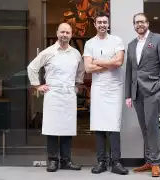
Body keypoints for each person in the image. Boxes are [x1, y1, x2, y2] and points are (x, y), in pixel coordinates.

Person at [27, 23, 85, 172]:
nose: (65, 35)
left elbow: (80, 71)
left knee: (67, 128)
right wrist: (37, 85)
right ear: (57, 33)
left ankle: (66, 161)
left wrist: (77, 85)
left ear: (71, 34)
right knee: (52, 129)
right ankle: (52, 160)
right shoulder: (48, 52)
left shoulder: (76, 54)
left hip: (68, 94)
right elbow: (32, 67)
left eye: (67, 32)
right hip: (53, 94)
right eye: (62, 32)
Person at [125, 13, 160, 177]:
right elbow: (130, 71)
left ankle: (156, 163)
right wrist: (128, 95)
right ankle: (149, 161)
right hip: (137, 92)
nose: (140, 25)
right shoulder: (131, 45)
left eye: (142, 22)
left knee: (152, 127)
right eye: (137, 22)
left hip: (153, 91)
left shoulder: (159, 39)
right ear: (134, 25)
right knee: (144, 128)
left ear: (148, 23)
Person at [83, 11, 128, 175]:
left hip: (115, 88)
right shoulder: (89, 44)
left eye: (104, 22)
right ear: (95, 25)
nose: (102, 24)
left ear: (108, 24)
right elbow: (88, 68)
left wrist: (98, 61)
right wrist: (109, 64)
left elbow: (119, 62)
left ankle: (116, 162)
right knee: (99, 126)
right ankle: (101, 162)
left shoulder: (117, 41)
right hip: (99, 88)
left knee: (114, 126)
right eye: (99, 22)